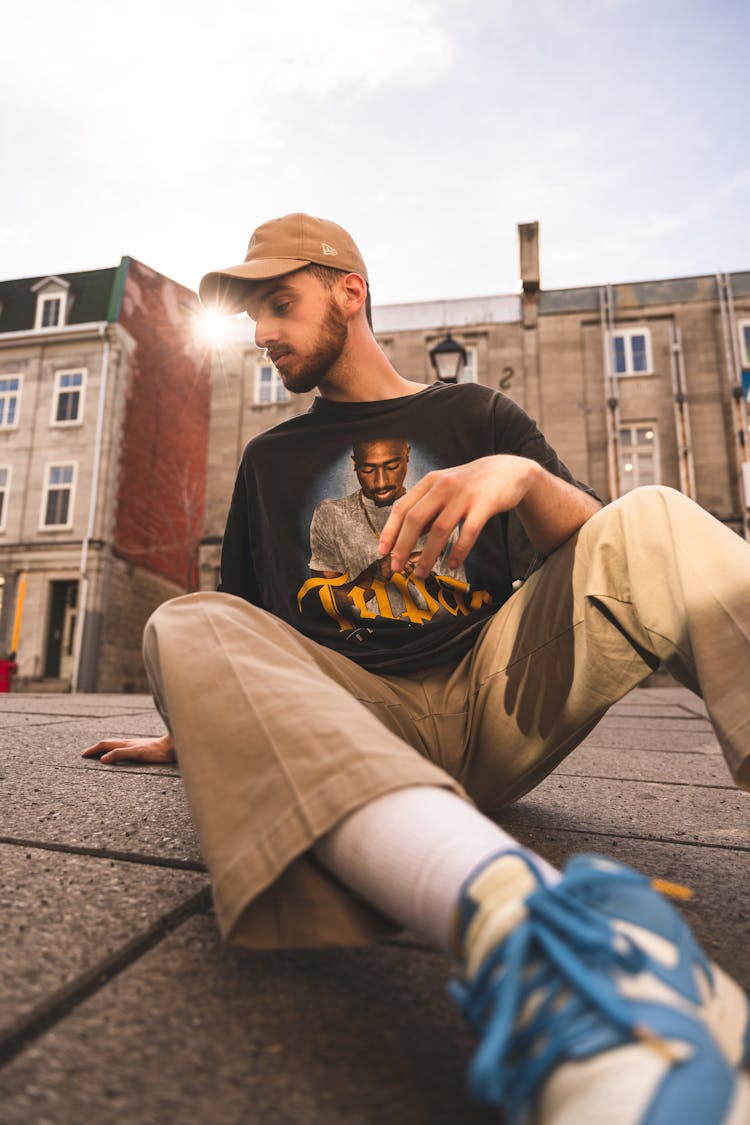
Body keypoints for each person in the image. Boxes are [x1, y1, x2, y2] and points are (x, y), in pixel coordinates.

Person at [84, 213, 750, 1124]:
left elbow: (606, 554)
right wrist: (199, 721)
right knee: (185, 617)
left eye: (280, 303)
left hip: (496, 691)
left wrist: (522, 475)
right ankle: (525, 929)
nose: (265, 333)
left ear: (349, 291)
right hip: (356, 722)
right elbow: (238, 619)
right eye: (254, 319)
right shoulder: (272, 461)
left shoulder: (472, 415)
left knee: (660, 515)